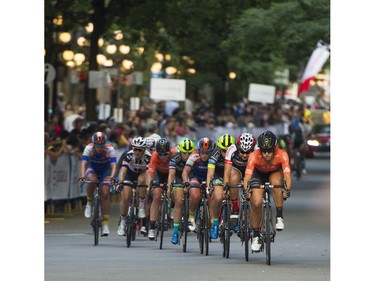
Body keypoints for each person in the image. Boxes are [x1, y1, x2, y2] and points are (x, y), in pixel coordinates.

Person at [242, 130, 292, 252]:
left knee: (277, 184)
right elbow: (247, 177)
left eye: (269, 151)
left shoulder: (282, 154)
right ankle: (255, 235)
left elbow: (287, 176)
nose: (267, 154)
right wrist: (246, 190)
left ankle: (279, 216)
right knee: (256, 202)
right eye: (264, 151)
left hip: (274, 172)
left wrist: (287, 190)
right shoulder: (254, 155)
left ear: (274, 149)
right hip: (257, 174)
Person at [79, 132, 117, 236]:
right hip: (93, 169)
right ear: (93, 143)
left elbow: (114, 165)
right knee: (93, 180)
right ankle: (89, 202)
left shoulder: (110, 149)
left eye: (101, 146)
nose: (99, 148)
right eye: (97, 146)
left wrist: (112, 177)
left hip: (105, 170)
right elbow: (84, 163)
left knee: (105, 194)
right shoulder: (88, 148)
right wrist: (82, 176)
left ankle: (105, 224)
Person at [117, 137, 151, 236]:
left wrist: (149, 186)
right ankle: (122, 221)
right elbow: (123, 171)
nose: (137, 152)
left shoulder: (148, 157)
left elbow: (149, 173)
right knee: (126, 196)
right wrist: (120, 182)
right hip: (129, 174)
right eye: (135, 149)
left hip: (142, 174)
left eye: (140, 150)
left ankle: (141, 205)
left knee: (142, 180)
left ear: (144, 150)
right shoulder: (128, 155)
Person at [223, 132, 256, 234]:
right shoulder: (231, 149)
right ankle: (235, 209)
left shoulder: (257, 150)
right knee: (233, 179)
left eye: (248, 152)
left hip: (251, 170)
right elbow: (227, 171)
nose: (245, 155)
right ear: (238, 147)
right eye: (242, 152)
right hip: (236, 170)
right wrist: (226, 186)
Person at [182, 137, 216, 232]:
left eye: (207, 153)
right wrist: (185, 183)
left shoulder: (214, 157)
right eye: (202, 153)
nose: (204, 156)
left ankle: (213, 221)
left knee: (211, 196)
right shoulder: (194, 156)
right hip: (195, 177)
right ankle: (191, 216)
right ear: (199, 150)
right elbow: (185, 172)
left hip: (209, 178)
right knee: (195, 195)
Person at [146, 138, 177, 240]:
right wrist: (149, 186)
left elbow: (173, 175)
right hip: (159, 175)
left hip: (172, 174)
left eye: (165, 154)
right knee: (156, 196)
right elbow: (151, 172)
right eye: (161, 154)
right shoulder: (155, 155)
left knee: (173, 190)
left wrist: (169, 186)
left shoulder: (174, 154)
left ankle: (173, 206)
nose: (163, 157)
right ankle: (152, 226)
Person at [206, 134, 235, 239]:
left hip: (231, 176)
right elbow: (210, 173)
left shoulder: (235, 153)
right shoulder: (215, 154)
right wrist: (208, 185)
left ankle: (234, 217)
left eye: (228, 150)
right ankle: (214, 223)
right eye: (223, 150)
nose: (226, 153)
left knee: (234, 193)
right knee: (218, 197)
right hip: (218, 176)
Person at [167, 138, 196, 244]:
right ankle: (175, 232)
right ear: (180, 151)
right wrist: (169, 187)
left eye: (189, 153)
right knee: (179, 201)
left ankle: (195, 217)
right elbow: (171, 175)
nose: (187, 155)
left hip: (192, 176)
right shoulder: (175, 157)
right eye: (184, 153)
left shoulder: (196, 158)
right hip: (179, 178)